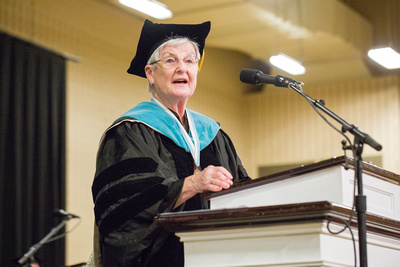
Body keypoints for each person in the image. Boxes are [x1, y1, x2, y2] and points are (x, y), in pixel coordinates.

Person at [91, 19, 250, 267]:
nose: (181, 68)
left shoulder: (215, 134)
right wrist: (193, 184)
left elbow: (242, 191)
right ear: (150, 73)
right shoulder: (129, 132)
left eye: (189, 61)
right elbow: (124, 210)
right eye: (170, 60)